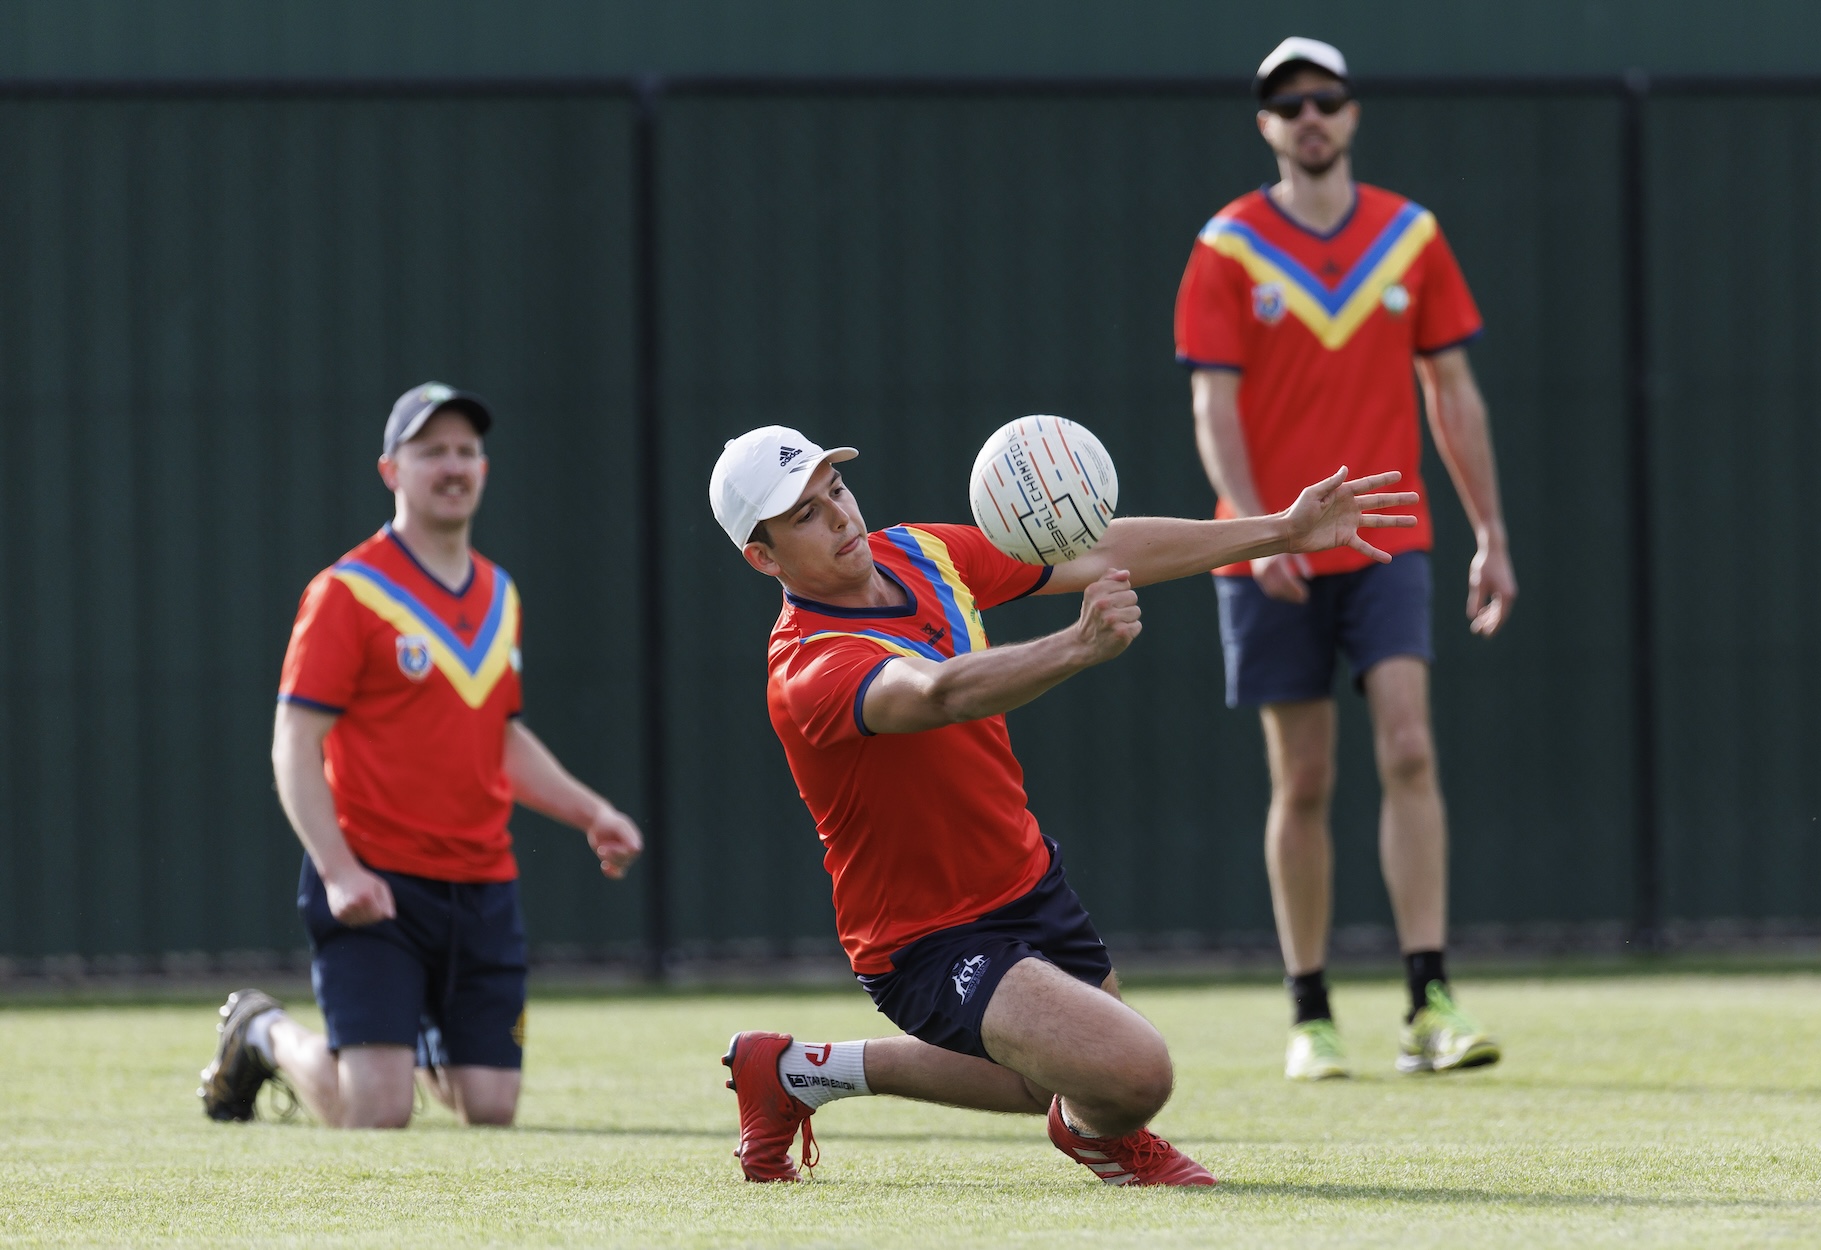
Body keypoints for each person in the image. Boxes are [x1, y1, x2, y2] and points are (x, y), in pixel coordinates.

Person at [708, 424, 1416, 1183]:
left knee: (1070, 1080)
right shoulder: (808, 664)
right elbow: (938, 692)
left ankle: (794, 1072)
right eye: (806, 515)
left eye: (835, 490)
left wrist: (1280, 530)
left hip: (1026, 878)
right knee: (1135, 1073)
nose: (841, 516)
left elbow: (1100, 548)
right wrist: (1074, 647)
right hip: (924, 937)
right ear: (764, 557)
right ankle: (1102, 1139)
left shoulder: (920, 551)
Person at [1173, 37, 1516, 1081]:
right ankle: (1309, 1010)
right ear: (1265, 124)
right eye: (1287, 103)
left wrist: (1489, 533)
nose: (1309, 115)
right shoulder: (1226, 247)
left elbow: (1451, 391)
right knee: (1304, 775)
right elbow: (1210, 405)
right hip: (1271, 544)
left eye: (1324, 98)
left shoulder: (1408, 236)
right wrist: (1252, 522)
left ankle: (1428, 1000)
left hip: (1387, 536)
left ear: (1352, 114)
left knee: (1408, 745)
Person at [197, 382, 645, 1128]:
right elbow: (294, 741)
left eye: (466, 450)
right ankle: (262, 1031)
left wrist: (591, 812)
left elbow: (498, 734)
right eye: (430, 449)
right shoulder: (347, 592)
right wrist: (339, 870)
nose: (452, 465)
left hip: (481, 884)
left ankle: (421, 1033)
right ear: (391, 471)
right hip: (378, 881)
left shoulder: (501, 593)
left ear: (485, 469)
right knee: (376, 1112)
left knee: (490, 1110)